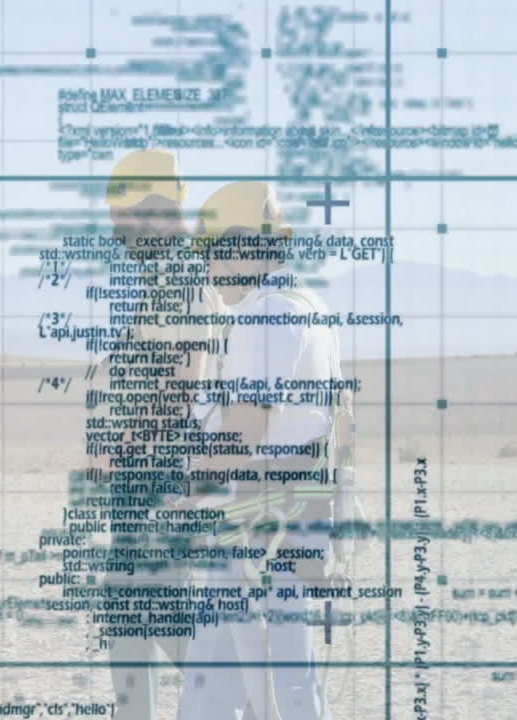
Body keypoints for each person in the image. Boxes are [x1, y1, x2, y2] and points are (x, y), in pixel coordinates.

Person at [174, 181, 355, 720]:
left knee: (273, 675)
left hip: (261, 522)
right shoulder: (309, 307)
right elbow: (343, 420)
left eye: (213, 255)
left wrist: (194, 492)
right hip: (290, 514)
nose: (209, 272)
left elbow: (246, 426)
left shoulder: (266, 315)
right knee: (244, 670)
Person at [94, 149, 224, 720]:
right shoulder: (166, 277)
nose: (116, 234)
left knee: (164, 615)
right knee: (128, 613)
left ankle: (244, 701)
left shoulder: (182, 275)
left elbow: (185, 379)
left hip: (160, 471)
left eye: (121, 220)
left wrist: (126, 446)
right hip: (147, 470)